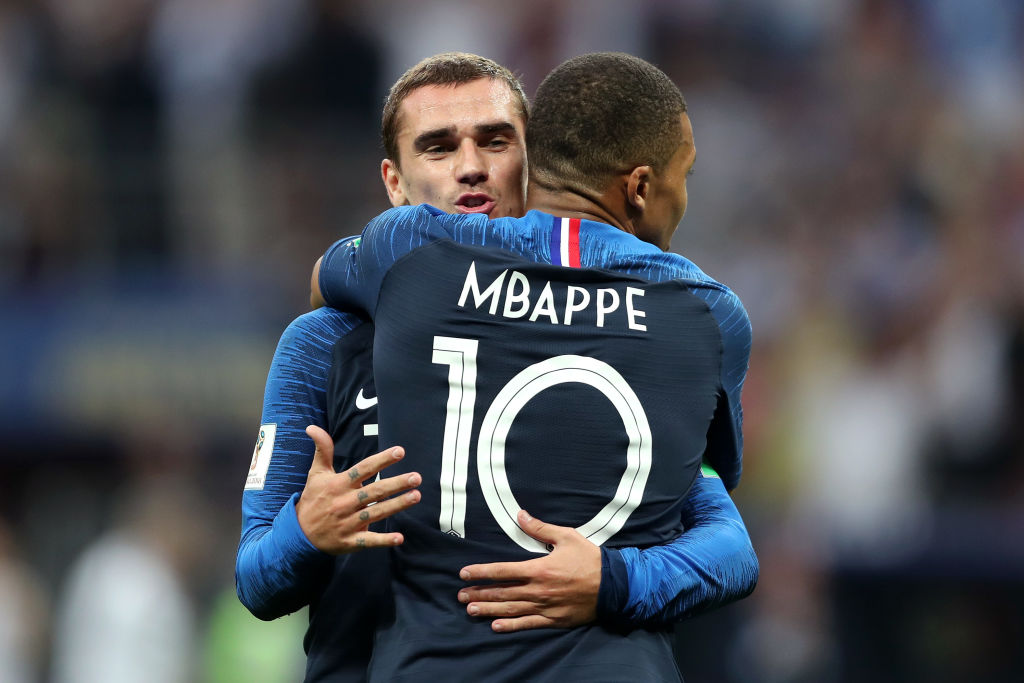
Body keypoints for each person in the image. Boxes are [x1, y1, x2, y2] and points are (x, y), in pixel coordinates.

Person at [238, 53, 755, 682]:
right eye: (437, 147)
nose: (472, 167)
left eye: (496, 140)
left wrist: (613, 580)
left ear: (535, 159)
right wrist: (305, 530)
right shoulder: (324, 345)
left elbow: (725, 539)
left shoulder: (647, 342)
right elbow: (256, 580)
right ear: (394, 186)